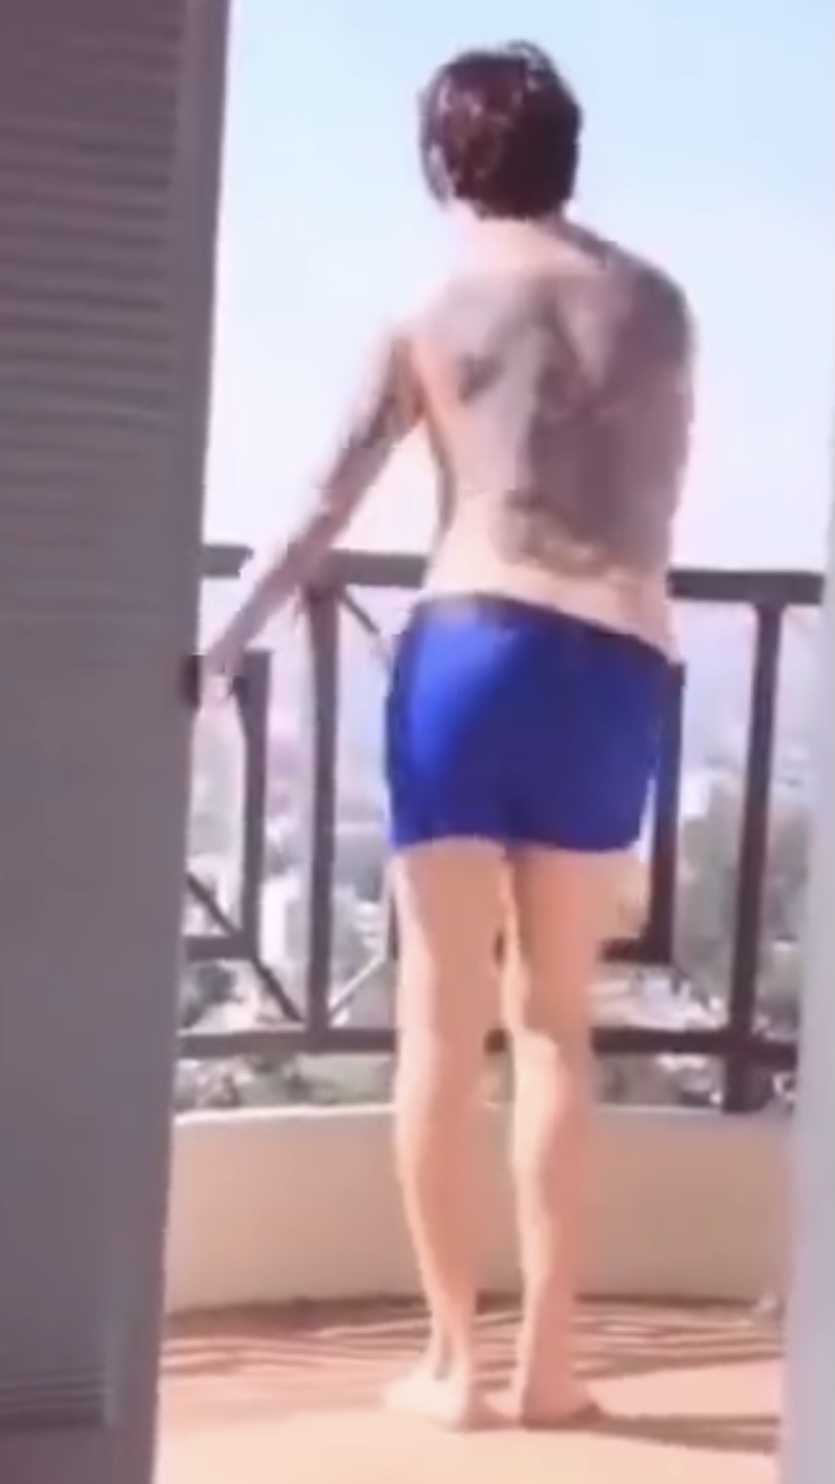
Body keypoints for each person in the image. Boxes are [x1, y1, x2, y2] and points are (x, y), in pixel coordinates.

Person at [203, 41, 695, 1430]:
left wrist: (221, 649)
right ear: (568, 154)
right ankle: (553, 1366)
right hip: (616, 660)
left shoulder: (435, 299)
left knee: (440, 1028)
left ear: (444, 159)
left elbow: (323, 504)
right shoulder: (661, 306)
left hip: (472, 651)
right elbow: (657, 497)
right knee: (555, 1030)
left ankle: (451, 1365)